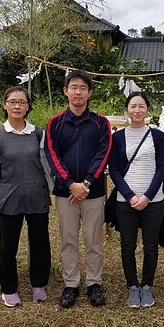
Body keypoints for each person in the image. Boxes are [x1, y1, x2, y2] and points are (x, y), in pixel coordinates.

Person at [45, 69, 112, 308]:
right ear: (66, 91)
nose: (78, 92)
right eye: (73, 87)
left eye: (83, 88)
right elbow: (52, 155)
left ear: (89, 92)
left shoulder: (100, 122)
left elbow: (103, 154)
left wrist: (85, 184)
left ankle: (94, 283)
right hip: (65, 193)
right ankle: (71, 283)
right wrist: (70, 184)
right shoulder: (55, 123)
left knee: (93, 239)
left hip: (92, 192)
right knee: (69, 239)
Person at [0, 86, 53, 308]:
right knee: (8, 246)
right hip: (9, 198)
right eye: (12, 102)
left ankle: (39, 284)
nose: (17, 106)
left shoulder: (37, 133)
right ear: (4, 105)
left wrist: (50, 193)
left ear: (28, 106)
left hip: (36, 198)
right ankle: (9, 288)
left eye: (21, 102)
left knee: (40, 243)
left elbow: (45, 165)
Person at [108, 92, 164, 308]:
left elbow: (162, 168)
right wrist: (131, 196)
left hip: (154, 201)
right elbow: (113, 169)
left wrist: (148, 196)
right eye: (133, 106)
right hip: (126, 201)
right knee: (128, 245)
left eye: (141, 106)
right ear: (127, 111)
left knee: (151, 245)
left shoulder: (158, 136)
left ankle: (147, 285)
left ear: (147, 110)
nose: (137, 110)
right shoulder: (117, 137)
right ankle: (132, 286)